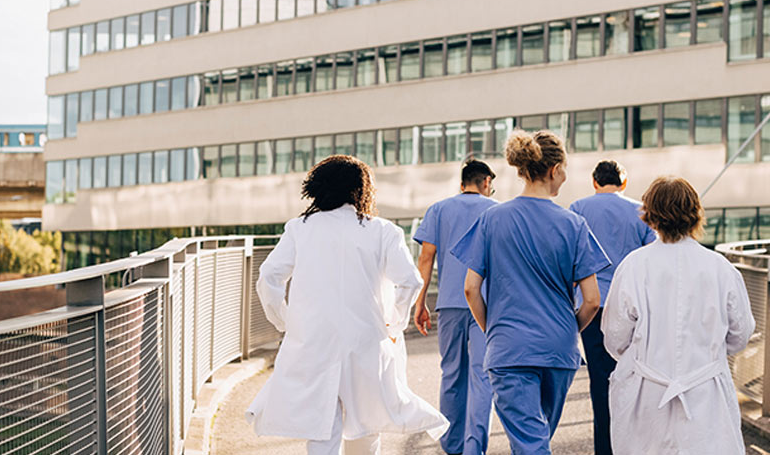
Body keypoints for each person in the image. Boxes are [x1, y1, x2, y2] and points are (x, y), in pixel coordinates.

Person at [247, 155, 447, 455]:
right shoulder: (382, 231)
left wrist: (287, 322)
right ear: (361, 189)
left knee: (320, 427)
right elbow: (410, 281)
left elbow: (268, 277)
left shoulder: (300, 228)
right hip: (366, 341)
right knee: (365, 425)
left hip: (313, 341)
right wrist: (392, 323)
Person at [451, 131, 608, 455]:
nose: (565, 176)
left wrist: (492, 330)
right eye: (564, 168)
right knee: (537, 441)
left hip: (509, 348)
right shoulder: (573, 224)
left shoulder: (491, 219)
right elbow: (592, 299)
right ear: (553, 170)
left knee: (530, 443)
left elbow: (470, 289)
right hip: (558, 350)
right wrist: (567, 329)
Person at [602, 176, 755, 455]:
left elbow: (614, 336)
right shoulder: (721, 268)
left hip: (645, 393)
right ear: (695, 213)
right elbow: (740, 334)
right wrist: (711, 353)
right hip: (706, 393)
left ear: (649, 215)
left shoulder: (633, 266)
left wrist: (640, 356)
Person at [567, 160, 657, 455]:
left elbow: (570, 260)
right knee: (634, 378)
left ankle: (604, 449)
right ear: (624, 183)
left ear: (595, 182)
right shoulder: (641, 212)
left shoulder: (578, 209)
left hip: (592, 306)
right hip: (633, 309)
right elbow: (651, 259)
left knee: (600, 382)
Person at [413, 160, 499, 455]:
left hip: (449, 304)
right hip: (486, 305)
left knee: (451, 373)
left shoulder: (439, 209)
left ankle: (451, 445)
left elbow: (426, 258)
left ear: (462, 184)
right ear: (486, 181)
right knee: (481, 374)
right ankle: (474, 448)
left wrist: (420, 300)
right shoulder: (497, 211)